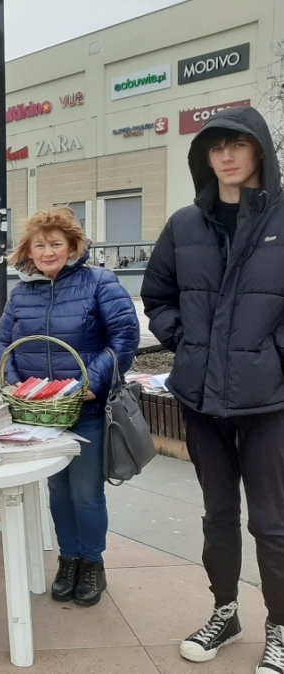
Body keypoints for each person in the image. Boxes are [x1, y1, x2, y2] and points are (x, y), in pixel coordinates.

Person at [142, 106, 284, 673]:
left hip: (268, 402)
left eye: (237, 144)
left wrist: (274, 357)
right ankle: (225, 612)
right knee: (217, 515)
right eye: (216, 147)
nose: (226, 156)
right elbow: (158, 295)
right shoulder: (184, 224)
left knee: (272, 522)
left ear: (259, 150)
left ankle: (281, 627)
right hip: (201, 399)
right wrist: (187, 342)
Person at [0, 206, 139, 608]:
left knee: (86, 494)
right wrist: (15, 382)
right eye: (39, 245)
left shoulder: (99, 283)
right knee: (57, 491)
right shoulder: (21, 293)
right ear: (28, 250)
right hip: (40, 414)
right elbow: (4, 343)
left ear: (73, 246)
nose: (48, 252)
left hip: (85, 411)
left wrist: (91, 383)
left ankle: (92, 563)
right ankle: (68, 560)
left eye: (56, 244)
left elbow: (125, 336)